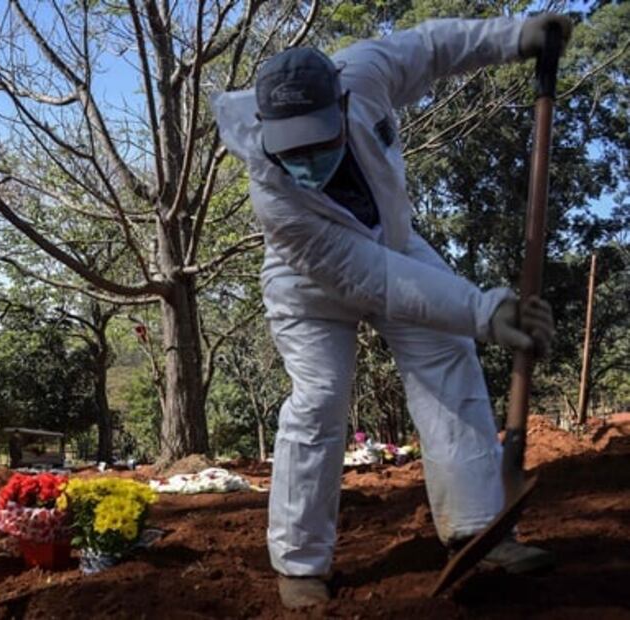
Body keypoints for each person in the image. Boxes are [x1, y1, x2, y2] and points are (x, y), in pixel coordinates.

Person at [211, 14, 570, 608]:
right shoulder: (275, 198)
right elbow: (377, 282)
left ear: (343, 102)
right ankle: (301, 564)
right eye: (290, 147)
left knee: (448, 357)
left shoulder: (366, 71)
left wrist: (515, 37)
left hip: (394, 245)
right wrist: (485, 311)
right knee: (320, 400)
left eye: (317, 141)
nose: (305, 159)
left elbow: (433, 47)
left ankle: (479, 527)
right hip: (309, 285)